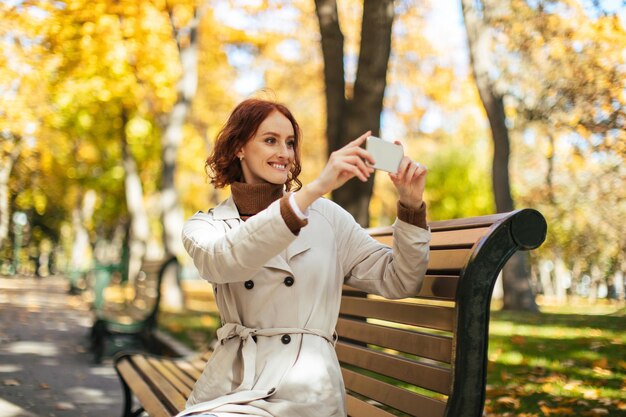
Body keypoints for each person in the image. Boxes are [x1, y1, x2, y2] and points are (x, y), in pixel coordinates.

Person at [177, 98, 431, 417]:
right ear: (239, 147)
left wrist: (410, 205)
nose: (285, 153)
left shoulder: (327, 218)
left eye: (290, 142)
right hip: (235, 385)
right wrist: (315, 189)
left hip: (306, 389)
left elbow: (399, 281)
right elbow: (227, 260)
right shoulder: (206, 225)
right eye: (270, 140)